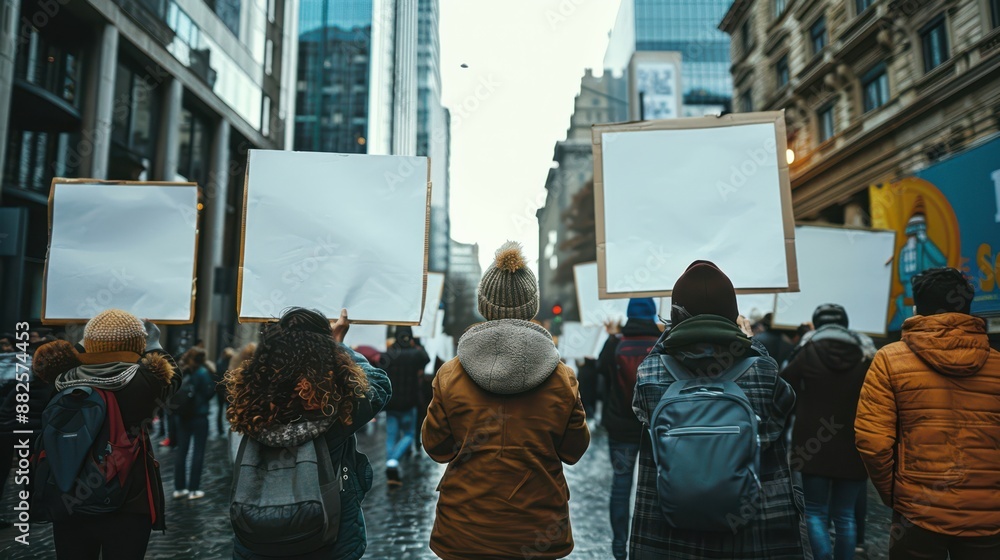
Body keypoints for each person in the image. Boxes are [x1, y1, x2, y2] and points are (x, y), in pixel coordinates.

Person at [422, 241, 591, 560]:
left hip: (464, 531)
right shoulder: (563, 378)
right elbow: (573, 450)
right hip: (538, 531)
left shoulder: (450, 374)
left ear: (483, 306)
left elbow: (436, 447)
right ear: (532, 306)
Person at [629, 260, 806, 559]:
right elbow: (786, 404)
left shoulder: (651, 375)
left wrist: (667, 335)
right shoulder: (763, 372)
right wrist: (751, 343)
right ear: (732, 314)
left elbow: (642, 402)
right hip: (751, 537)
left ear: (676, 316)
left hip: (670, 540)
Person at [856, 267, 1000, 559]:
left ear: (918, 308)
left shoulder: (888, 359)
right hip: (987, 517)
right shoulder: (997, 363)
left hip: (917, 513)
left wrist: (895, 496)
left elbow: (874, 443)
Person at [225, 307, 390, 560]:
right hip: (325, 542)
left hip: (255, 542)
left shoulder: (252, 400)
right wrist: (337, 345)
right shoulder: (335, 403)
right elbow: (378, 385)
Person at [32, 309, 180, 559]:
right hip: (129, 502)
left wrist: (91, 339)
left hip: (69, 497)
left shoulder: (60, 380)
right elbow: (173, 379)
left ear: (89, 345)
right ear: (137, 345)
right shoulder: (144, 383)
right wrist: (154, 343)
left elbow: (61, 360)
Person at [782, 303, 875, 560]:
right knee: (845, 515)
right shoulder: (867, 355)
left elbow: (784, 389)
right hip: (854, 444)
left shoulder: (806, 351)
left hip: (812, 443)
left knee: (814, 511)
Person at [596, 297, 662, 560]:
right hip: (653, 428)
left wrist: (612, 336)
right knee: (656, 489)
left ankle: (618, 547)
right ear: (653, 314)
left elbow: (599, 369)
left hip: (621, 428)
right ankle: (649, 546)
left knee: (620, 487)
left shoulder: (616, 344)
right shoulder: (662, 345)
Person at [378, 325, 429, 486]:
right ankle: (392, 462)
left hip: (391, 402)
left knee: (392, 436)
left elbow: (380, 367)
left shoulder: (389, 354)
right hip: (409, 402)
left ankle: (391, 464)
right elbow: (426, 358)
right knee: (408, 434)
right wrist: (416, 344)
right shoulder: (416, 354)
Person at [172, 347, 216, 500]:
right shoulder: (203, 373)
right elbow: (209, 392)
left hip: (182, 415)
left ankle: (179, 488)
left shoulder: (181, 371)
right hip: (199, 416)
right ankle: (194, 489)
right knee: (198, 451)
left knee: (181, 451)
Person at [213, 347, 235, 435]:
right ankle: (229, 426)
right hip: (227, 390)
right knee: (228, 408)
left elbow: (216, 377)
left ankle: (220, 428)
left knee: (220, 408)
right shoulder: (229, 365)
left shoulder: (219, 363)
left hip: (220, 389)